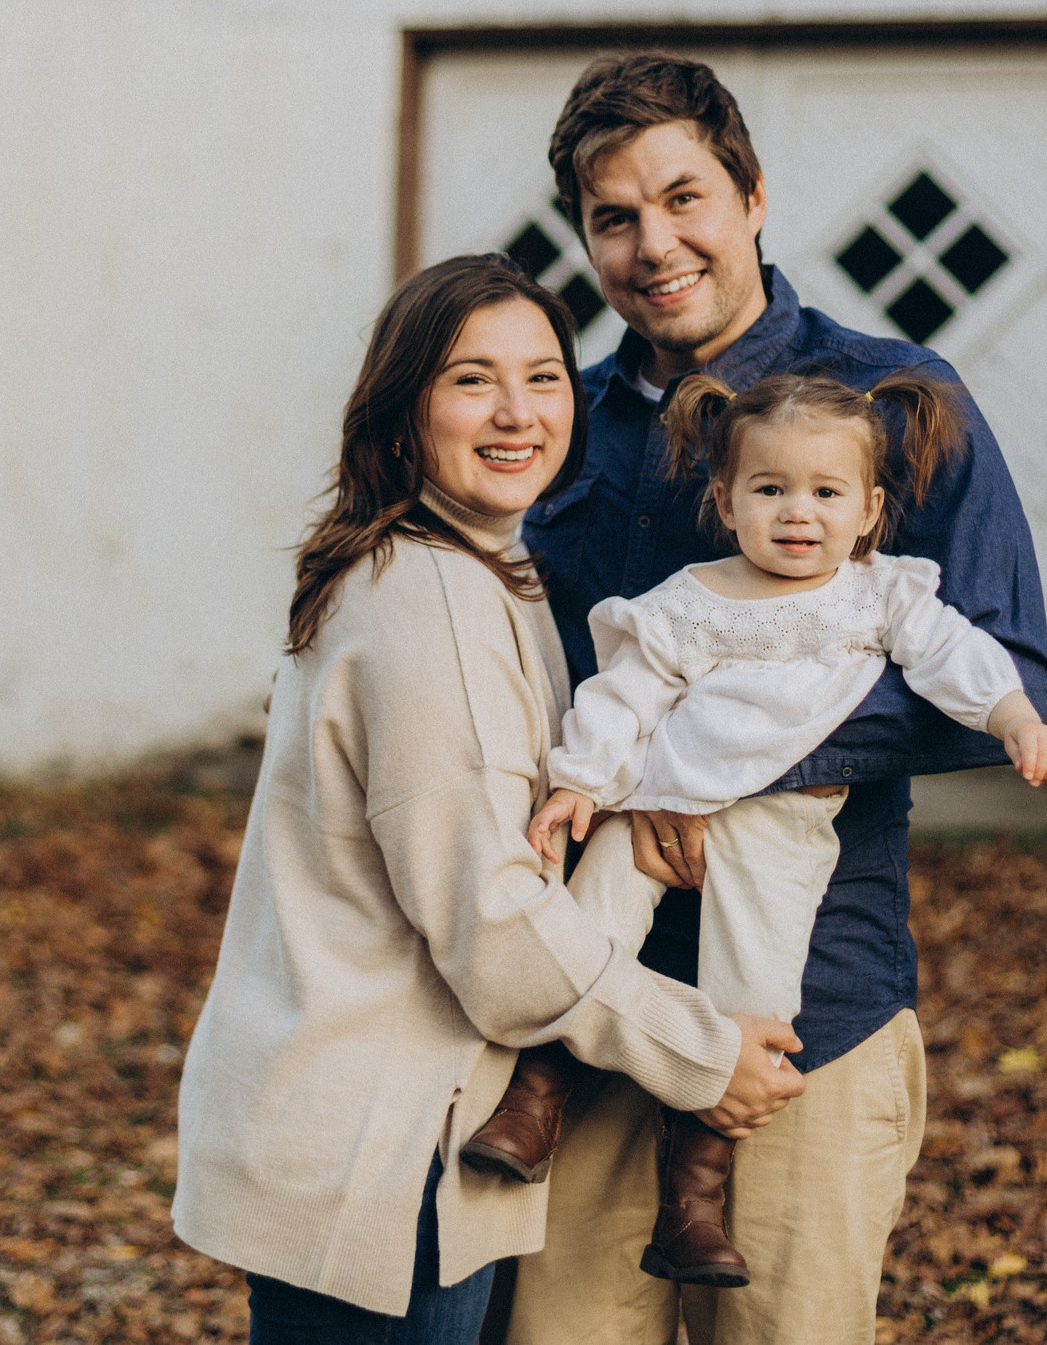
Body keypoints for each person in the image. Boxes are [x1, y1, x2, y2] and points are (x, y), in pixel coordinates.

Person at [501, 55, 1047, 1345]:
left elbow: (1007, 671)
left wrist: (716, 763)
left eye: (684, 197)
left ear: (752, 196)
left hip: (816, 1003)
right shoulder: (561, 424)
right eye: (613, 217)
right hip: (599, 1001)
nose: (654, 244)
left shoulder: (887, 402)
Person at [173, 254, 808, 1345]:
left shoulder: (455, 571)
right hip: (384, 1152)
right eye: (472, 380)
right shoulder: (429, 602)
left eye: (544, 377)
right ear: (402, 407)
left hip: (358, 1130)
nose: (517, 412)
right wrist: (700, 1056)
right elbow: (492, 925)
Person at [463, 368, 1047, 1289]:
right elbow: (621, 693)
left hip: (780, 824)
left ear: (869, 510)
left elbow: (958, 654)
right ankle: (536, 1096)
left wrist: (1014, 716)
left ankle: (693, 1198)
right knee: (589, 932)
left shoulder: (880, 596)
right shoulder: (691, 598)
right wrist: (580, 782)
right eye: (771, 489)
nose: (799, 512)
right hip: (653, 806)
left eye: (826, 493)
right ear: (724, 499)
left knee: (757, 991)